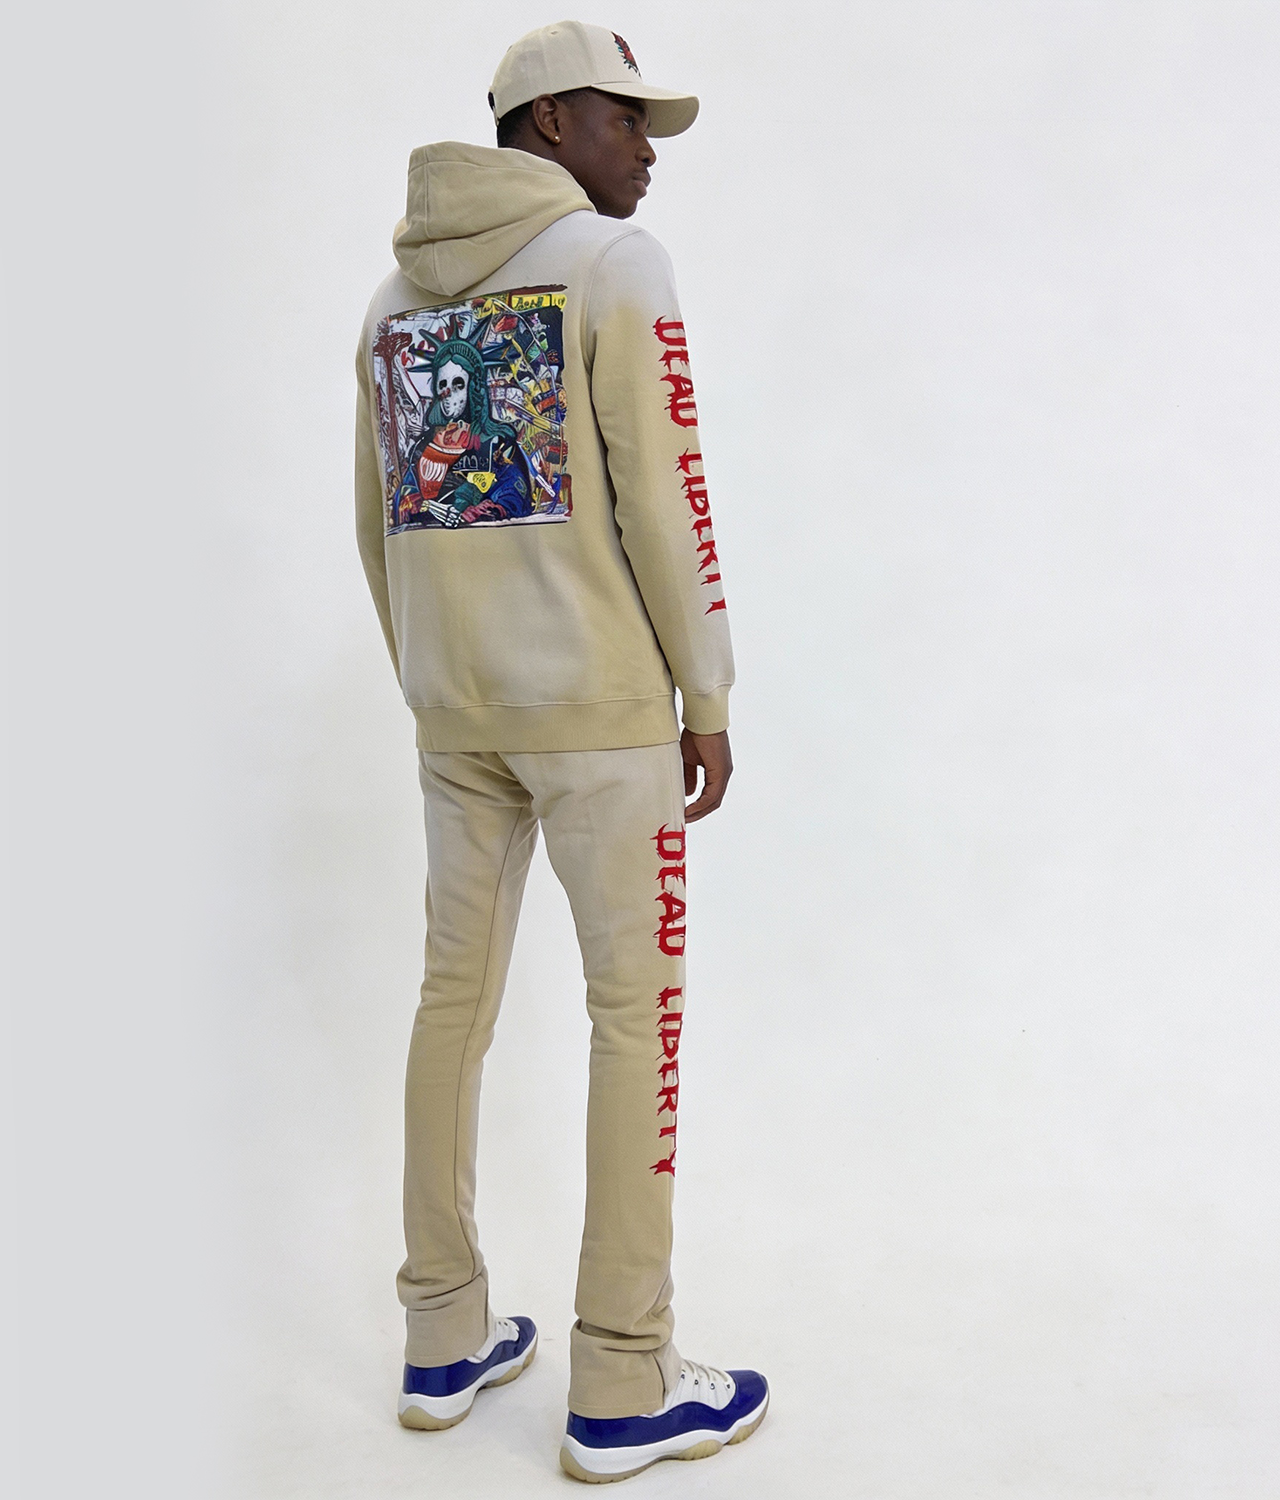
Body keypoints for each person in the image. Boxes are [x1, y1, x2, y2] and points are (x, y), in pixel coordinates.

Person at [353, 19, 767, 1483]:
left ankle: (442, 1334)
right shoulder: (612, 266)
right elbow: (667, 494)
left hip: (456, 715)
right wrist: (704, 690)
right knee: (632, 1020)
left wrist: (438, 680)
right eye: (626, 119)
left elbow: (378, 525)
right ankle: (625, 1379)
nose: (647, 149)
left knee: (449, 1007)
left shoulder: (393, 300)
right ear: (549, 123)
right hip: (599, 717)